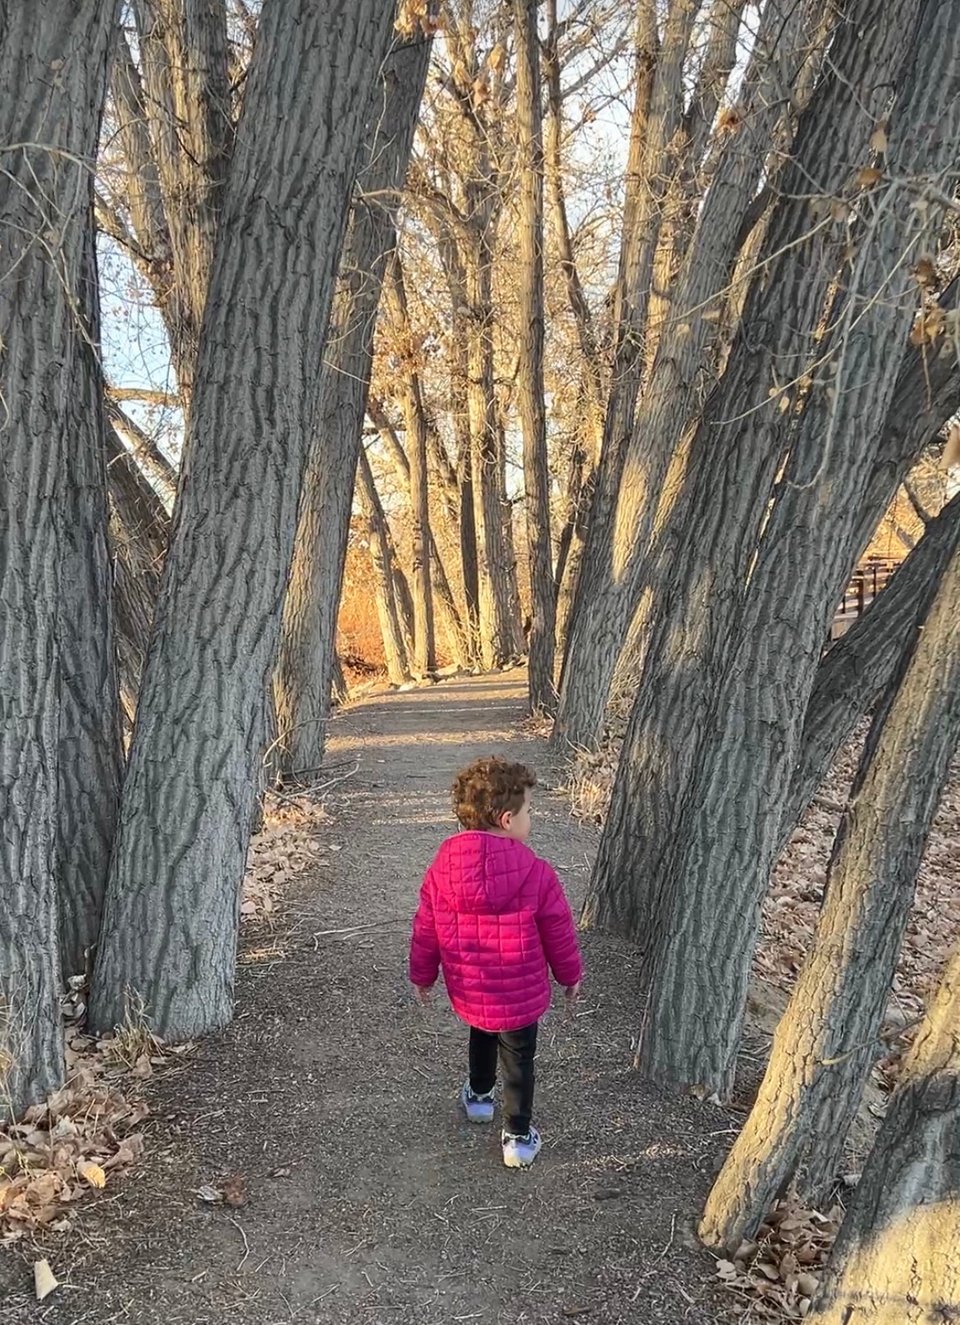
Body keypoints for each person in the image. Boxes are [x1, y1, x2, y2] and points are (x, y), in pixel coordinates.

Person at [409, 757, 583, 1168]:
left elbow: (426, 926)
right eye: (528, 811)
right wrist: (569, 975)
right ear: (507, 819)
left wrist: (422, 974)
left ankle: (480, 1098)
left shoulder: (442, 871)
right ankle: (518, 1138)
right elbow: (558, 931)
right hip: (520, 994)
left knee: (482, 1032)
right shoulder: (537, 873)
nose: (530, 818)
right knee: (519, 1059)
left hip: (471, 984)